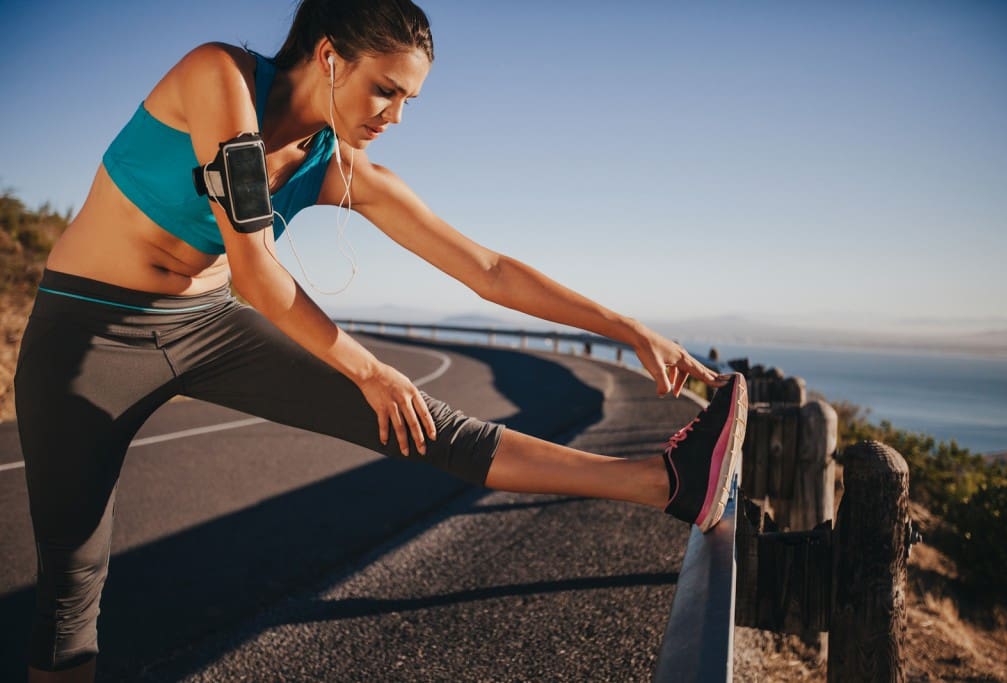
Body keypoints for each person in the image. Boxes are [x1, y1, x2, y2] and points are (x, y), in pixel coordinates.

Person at [13, 1, 747, 680]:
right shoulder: (219, 76)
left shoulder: (336, 164)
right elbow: (258, 274)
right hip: (84, 334)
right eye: (385, 91)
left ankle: (668, 484)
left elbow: (487, 269)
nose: (396, 116)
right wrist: (371, 367)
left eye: (409, 100)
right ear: (330, 57)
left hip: (203, 324)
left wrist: (628, 328)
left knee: (424, 422)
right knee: (73, 587)